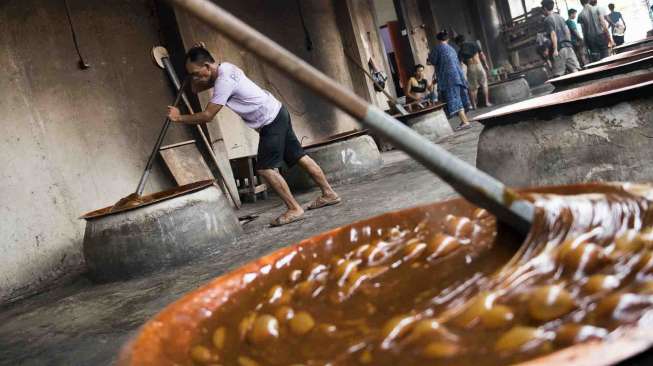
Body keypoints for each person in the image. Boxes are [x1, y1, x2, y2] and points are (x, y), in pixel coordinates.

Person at [167, 45, 341, 227]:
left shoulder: (224, 82)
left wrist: (178, 118)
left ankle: (294, 209)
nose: (194, 77)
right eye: (192, 74)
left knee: (265, 169)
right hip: (277, 111)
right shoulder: (225, 67)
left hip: (270, 120)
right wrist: (193, 76)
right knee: (298, 156)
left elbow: (207, 116)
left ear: (208, 66)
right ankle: (329, 194)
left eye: (196, 72)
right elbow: (196, 89)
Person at [427, 30, 471, 130]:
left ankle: (465, 122)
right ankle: (461, 121)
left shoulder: (437, 49)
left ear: (438, 39)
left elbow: (432, 61)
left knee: (454, 99)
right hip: (457, 76)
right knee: (456, 98)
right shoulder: (452, 49)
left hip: (447, 78)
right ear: (447, 39)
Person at [542, 0, 580, 77]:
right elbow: (567, 31)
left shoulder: (547, 20)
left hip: (559, 49)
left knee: (558, 74)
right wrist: (569, 43)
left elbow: (553, 34)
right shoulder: (560, 17)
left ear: (545, 8)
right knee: (575, 70)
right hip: (568, 47)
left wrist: (555, 49)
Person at [454, 34, 492, 109]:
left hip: (470, 67)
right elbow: (482, 55)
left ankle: (474, 105)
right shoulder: (474, 44)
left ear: (459, 43)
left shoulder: (460, 51)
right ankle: (487, 102)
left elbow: (460, 64)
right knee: (484, 84)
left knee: (472, 88)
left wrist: (461, 75)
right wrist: (486, 64)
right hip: (479, 65)